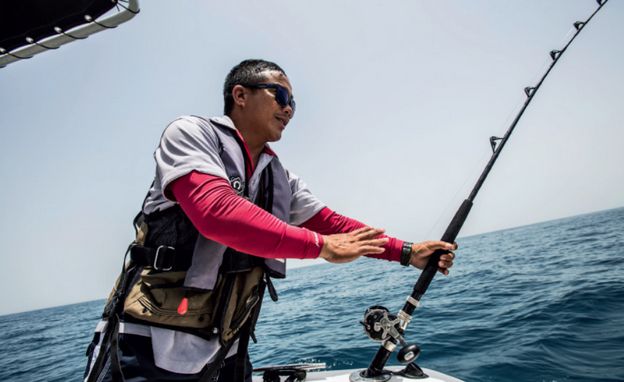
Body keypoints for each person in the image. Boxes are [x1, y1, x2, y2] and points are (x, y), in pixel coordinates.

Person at [83, 59, 457, 382]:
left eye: (293, 102)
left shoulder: (277, 175)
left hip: (227, 344)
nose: (289, 108)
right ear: (240, 95)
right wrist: (320, 248)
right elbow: (216, 212)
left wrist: (408, 252)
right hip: (151, 340)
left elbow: (331, 223)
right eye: (281, 95)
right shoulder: (190, 134)